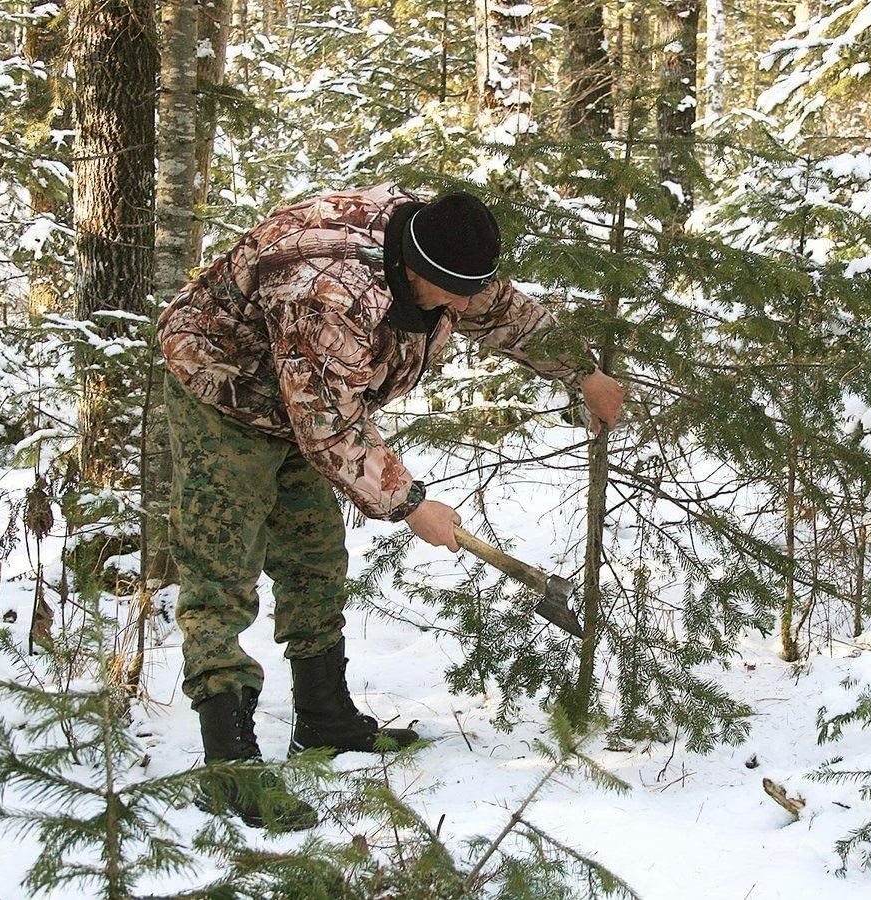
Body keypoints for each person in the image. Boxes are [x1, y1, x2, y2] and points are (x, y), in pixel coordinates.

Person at [157, 184, 623, 828]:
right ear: (414, 273)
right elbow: (328, 426)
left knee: (315, 557)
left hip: (306, 396)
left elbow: (499, 310)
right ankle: (228, 766)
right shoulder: (327, 290)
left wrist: (583, 372)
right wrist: (409, 504)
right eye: (454, 294)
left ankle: (324, 717)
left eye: (469, 291)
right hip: (224, 388)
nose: (465, 308)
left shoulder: (439, 247)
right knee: (222, 571)